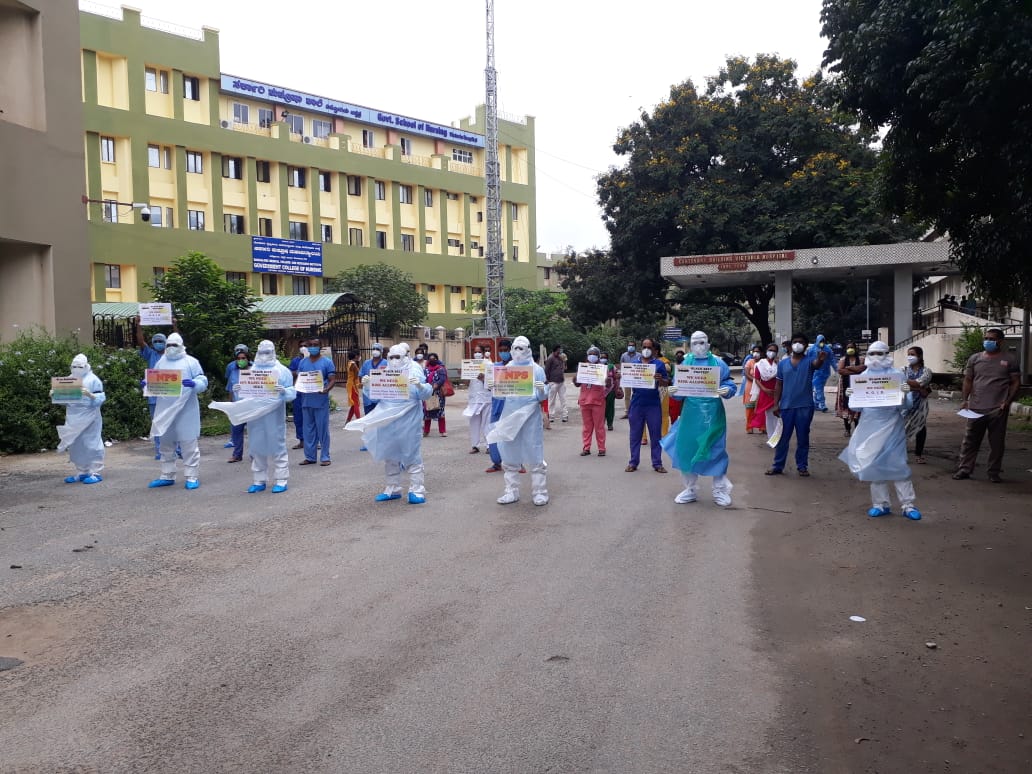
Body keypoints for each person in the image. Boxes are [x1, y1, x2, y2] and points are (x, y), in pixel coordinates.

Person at [838, 341, 921, 520]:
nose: (876, 357)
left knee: (898, 464)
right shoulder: (863, 376)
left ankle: (908, 505)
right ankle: (880, 504)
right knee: (874, 465)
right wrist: (852, 395)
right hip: (870, 427)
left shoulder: (896, 375)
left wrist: (906, 394)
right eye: (872, 353)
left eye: (880, 353)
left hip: (892, 426)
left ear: (886, 354)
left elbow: (906, 406)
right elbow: (857, 408)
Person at [346, 344, 433, 503]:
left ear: (406, 357)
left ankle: (417, 490)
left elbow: (425, 394)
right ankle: (393, 488)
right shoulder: (385, 371)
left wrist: (420, 385)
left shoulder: (414, 370)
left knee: (411, 452)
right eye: (391, 357)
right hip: (387, 417)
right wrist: (368, 386)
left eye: (397, 357)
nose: (393, 360)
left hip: (408, 418)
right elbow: (374, 397)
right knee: (390, 453)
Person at [210, 340, 296, 493]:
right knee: (256, 445)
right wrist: (239, 390)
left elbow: (292, 393)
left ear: (273, 352)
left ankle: (281, 479)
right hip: (255, 416)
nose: (264, 356)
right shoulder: (252, 370)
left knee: (277, 445)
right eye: (261, 352)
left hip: (273, 415)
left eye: (267, 352)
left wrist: (284, 391)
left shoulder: (282, 371)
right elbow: (246, 394)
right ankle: (259, 479)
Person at [663, 331, 737, 506]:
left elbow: (728, 382)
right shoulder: (685, 364)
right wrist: (674, 392)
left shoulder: (718, 363)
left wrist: (728, 390)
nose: (699, 346)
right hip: (690, 414)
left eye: (702, 342)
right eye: (695, 343)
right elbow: (679, 392)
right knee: (687, 448)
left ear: (708, 344)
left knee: (716, 449)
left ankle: (719, 490)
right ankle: (690, 488)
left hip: (713, 414)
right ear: (690, 344)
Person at [953, 327, 1021, 482]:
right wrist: (965, 400)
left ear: (1000, 341)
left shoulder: (1010, 359)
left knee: (996, 443)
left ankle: (993, 472)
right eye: (986, 338)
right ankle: (964, 470)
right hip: (975, 408)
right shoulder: (975, 358)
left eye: (991, 339)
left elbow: (1016, 382)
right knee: (969, 441)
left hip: (998, 409)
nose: (988, 341)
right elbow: (968, 380)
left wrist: (1007, 401)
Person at [487, 335, 549, 505]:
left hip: (530, 416)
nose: (516, 352)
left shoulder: (536, 370)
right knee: (508, 451)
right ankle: (511, 491)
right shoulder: (507, 369)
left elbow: (542, 396)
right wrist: (493, 387)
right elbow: (500, 394)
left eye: (521, 348)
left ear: (528, 349)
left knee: (534, 450)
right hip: (510, 415)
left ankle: (540, 491)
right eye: (515, 348)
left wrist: (542, 390)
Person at [145, 332, 208, 490]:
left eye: (174, 345)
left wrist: (195, 384)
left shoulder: (191, 362)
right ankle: (167, 474)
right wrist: (147, 383)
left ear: (181, 346)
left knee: (188, 443)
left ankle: (191, 476)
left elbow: (203, 380)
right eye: (169, 345)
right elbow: (155, 379)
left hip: (186, 409)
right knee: (165, 443)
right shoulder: (161, 361)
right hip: (165, 408)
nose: (171, 348)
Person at [766, 332, 830, 477]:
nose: (798, 344)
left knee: (803, 438)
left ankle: (802, 466)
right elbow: (778, 385)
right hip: (786, 406)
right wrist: (776, 404)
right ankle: (777, 465)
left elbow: (817, 365)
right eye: (795, 341)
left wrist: (821, 360)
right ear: (791, 344)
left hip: (804, 406)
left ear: (806, 345)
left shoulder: (809, 361)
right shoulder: (782, 364)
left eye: (801, 342)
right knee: (783, 438)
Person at [54, 354, 106, 485]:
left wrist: (90, 395)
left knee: (91, 442)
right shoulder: (69, 380)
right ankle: (82, 471)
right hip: (73, 416)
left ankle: (95, 472)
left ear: (86, 366)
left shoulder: (93, 380)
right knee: (76, 444)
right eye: (74, 366)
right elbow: (65, 401)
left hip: (90, 415)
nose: (76, 369)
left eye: (79, 366)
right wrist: (56, 395)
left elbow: (100, 399)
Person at [625, 337, 670, 473]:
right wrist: (622, 377)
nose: (646, 349)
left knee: (656, 434)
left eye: (649, 347)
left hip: (653, 404)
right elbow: (628, 380)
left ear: (654, 350)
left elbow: (667, 383)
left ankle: (657, 463)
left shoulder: (659, 364)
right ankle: (633, 462)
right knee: (635, 435)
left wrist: (661, 379)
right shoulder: (634, 363)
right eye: (644, 347)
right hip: (637, 403)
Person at [135, 320, 171, 459]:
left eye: (160, 341)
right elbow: (140, 341)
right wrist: (138, 324)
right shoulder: (151, 354)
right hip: (154, 395)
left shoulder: (171, 354)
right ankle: (159, 450)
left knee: (172, 422)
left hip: (169, 394)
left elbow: (179, 342)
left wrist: (174, 325)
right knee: (156, 423)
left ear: (166, 342)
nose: (157, 343)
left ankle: (176, 449)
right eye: (155, 341)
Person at [298, 337, 336, 467]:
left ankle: (325, 456)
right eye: (311, 345)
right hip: (306, 400)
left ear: (320, 346)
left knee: (322, 429)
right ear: (307, 347)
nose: (313, 347)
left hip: (320, 401)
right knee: (308, 430)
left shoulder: (327, 362)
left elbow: (332, 379)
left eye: (316, 345)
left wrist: (326, 389)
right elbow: (300, 379)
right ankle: (310, 456)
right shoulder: (303, 362)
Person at [573, 345, 611, 457]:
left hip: (598, 400)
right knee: (586, 426)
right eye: (590, 354)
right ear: (587, 356)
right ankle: (586, 448)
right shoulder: (583, 368)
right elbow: (577, 384)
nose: (592, 356)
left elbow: (608, 385)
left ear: (598, 356)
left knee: (599, 426)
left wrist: (608, 381)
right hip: (584, 401)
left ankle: (601, 448)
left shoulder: (602, 368)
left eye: (594, 354)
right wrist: (575, 379)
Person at [484, 338, 512, 473]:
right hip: (497, 404)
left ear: (511, 351)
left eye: (505, 351)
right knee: (494, 434)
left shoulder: (517, 367)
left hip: (511, 406)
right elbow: (489, 386)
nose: (503, 353)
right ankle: (496, 463)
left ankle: (516, 462)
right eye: (501, 351)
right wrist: (486, 383)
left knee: (512, 435)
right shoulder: (495, 367)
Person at [903, 346, 933, 464]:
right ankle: (900, 452)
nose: (910, 356)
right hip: (904, 403)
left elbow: (919, 382)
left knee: (920, 427)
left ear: (919, 356)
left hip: (920, 404)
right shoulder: (903, 369)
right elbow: (918, 385)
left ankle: (918, 454)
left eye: (912, 354)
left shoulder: (926, 371)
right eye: (908, 354)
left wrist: (909, 383)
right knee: (901, 428)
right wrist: (919, 388)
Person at [224, 343, 251, 463]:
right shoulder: (233, 371)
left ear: (248, 359)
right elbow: (230, 389)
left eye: (243, 358)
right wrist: (231, 406)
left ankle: (255, 454)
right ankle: (237, 454)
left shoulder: (255, 370)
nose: (241, 360)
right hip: (238, 405)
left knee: (254, 431)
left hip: (251, 405)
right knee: (236, 431)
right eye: (238, 358)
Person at [464, 345, 492, 453]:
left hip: (486, 398)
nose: (477, 354)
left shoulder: (489, 364)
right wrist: (463, 375)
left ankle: (489, 445)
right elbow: (467, 383)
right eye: (475, 352)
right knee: (474, 423)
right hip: (474, 399)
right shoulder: (469, 365)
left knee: (487, 423)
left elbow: (492, 384)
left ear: (483, 352)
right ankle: (475, 445)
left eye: (479, 352)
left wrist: (483, 379)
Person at [835, 342, 865, 437]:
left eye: (852, 347)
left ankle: (857, 430)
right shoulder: (843, 359)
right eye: (848, 347)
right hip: (845, 385)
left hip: (859, 386)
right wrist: (856, 370)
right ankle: (847, 429)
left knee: (858, 407)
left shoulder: (861, 359)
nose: (850, 349)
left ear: (855, 349)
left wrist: (849, 368)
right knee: (846, 406)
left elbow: (863, 368)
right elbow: (840, 371)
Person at [749, 344, 779, 434]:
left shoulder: (779, 364)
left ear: (777, 353)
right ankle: (771, 438)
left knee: (778, 417)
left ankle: (778, 437)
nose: (772, 352)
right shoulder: (759, 364)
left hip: (777, 392)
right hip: (765, 392)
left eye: (774, 351)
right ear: (766, 351)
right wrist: (764, 389)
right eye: (770, 350)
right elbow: (757, 379)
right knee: (769, 416)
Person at [288, 341, 308, 450]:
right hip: (298, 392)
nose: (303, 348)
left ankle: (314, 441)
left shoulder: (312, 360)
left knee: (311, 417)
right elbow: (290, 373)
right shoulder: (295, 361)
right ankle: (301, 440)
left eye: (305, 346)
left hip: (310, 393)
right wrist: (298, 373)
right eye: (301, 346)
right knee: (298, 418)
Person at [358, 343, 387, 417]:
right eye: (373, 349)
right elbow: (360, 376)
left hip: (381, 396)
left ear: (381, 351)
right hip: (368, 396)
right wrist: (364, 381)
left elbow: (390, 378)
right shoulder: (366, 363)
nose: (375, 351)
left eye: (377, 349)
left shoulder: (386, 363)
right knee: (369, 418)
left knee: (380, 419)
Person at [422, 352, 448, 437]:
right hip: (428, 393)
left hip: (438, 393)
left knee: (440, 412)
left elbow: (443, 378)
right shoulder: (425, 370)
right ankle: (426, 431)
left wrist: (437, 384)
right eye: (431, 359)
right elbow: (423, 379)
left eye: (434, 359)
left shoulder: (441, 369)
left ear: (437, 359)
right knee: (427, 412)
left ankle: (443, 431)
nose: (432, 360)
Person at [544, 345, 569, 424]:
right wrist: (547, 380)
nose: (559, 352)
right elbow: (547, 370)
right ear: (555, 351)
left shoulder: (560, 358)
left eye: (560, 351)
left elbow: (564, 368)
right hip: (553, 382)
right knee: (552, 400)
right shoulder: (550, 358)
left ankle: (565, 415)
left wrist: (564, 360)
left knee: (563, 399)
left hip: (561, 381)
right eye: (558, 351)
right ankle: (551, 416)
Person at [809, 334, 834, 411]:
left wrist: (836, 368)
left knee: (819, 388)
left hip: (825, 372)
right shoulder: (812, 349)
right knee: (819, 388)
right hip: (815, 372)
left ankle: (816, 404)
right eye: (820, 341)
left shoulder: (827, 349)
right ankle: (822, 404)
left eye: (823, 341)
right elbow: (807, 359)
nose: (822, 342)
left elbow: (832, 359)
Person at [742, 344, 763, 433]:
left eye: (758, 351)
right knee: (750, 408)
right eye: (754, 351)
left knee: (762, 407)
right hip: (750, 386)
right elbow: (747, 374)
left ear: (761, 353)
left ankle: (762, 426)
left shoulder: (764, 362)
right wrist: (756, 381)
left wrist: (760, 382)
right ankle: (749, 426)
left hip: (762, 386)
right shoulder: (749, 362)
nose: (756, 353)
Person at [601, 351, 619, 431]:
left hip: (610, 390)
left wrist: (617, 388)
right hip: (599, 391)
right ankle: (601, 423)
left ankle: (610, 424)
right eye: (601, 357)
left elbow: (616, 378)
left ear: (607, 359)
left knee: (610, 408)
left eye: (604, 357)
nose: (602, 359)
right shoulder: (596, 366)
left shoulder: (611, 367)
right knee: (601, 408)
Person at [344, 348, 362, 424]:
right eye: (359, 355)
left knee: (354, 404)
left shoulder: (350, 363)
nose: (359, 357)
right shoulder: (353, 365)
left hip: (351, 384)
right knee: (356, 403)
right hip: (353, 385)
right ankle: (359, 421)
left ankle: (348, 420)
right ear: (356, 356)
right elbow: (356, 376)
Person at [619, 340, 637, 418]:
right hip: (627, 378)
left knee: (636, 395)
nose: (631, 347)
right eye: (630, 345)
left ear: (635, 347)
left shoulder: (639, 355)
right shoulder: (623, 355)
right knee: (627, 396)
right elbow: (621, 366)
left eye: (632, 345)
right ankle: (627, 412)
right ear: (627, 346)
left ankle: (636, 411)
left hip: (636, 378)